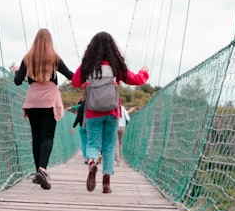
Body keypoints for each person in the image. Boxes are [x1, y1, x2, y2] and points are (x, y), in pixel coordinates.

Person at [71, 32, 149, 194]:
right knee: (109, 146)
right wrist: (144, 72)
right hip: (113, 111)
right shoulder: (115, 66)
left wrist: (87, 84)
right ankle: (106, 182)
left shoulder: (88, 65)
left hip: (92, 111)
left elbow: (75, 82)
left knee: (92, 143)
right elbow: (136, 79)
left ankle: (92, 162)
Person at [13, 28, 74, 190]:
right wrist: (85, 78)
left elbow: (18, 81)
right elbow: (70, 76)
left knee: (36, 137)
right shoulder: (54, 58)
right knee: (47, 137)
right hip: (49, 101)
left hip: (33, 100)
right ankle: (42, 170)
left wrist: (18, 72)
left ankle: (38, 172)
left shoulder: (28, 58)